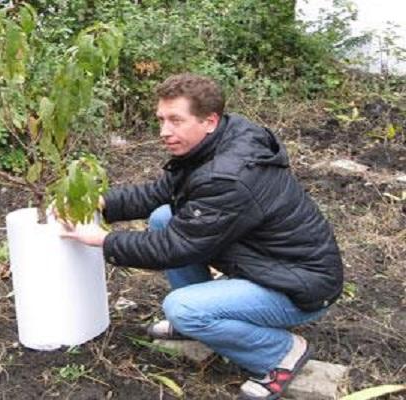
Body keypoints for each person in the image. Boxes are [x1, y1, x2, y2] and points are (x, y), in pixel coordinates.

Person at [60, 73, 343, 400]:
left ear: (209, 120)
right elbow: (162, 193)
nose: (164, 131)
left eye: (176, 120)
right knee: (164, 217)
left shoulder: (228, 176)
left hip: (300, 285)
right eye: (161, 120)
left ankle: (279, 353)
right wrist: (101, 203)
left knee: (181, 307)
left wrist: (102, 240)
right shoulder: (217, 141)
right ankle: (202, 321)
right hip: (268, 261)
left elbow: (174, 247)